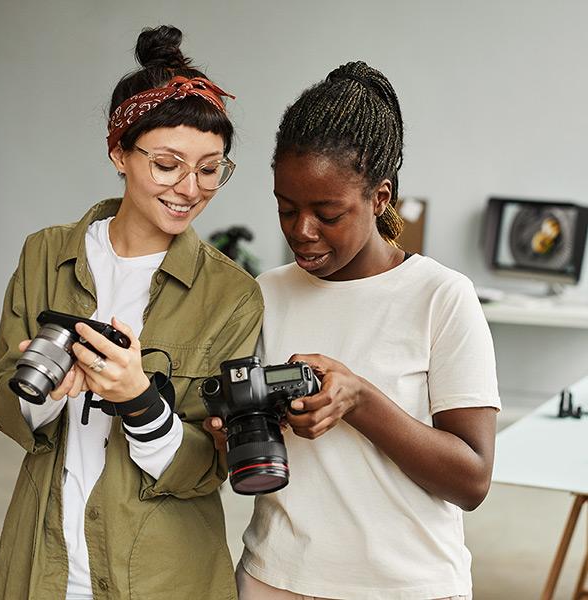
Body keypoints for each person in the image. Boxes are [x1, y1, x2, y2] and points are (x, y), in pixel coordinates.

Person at [0, 25, 262, 600]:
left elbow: (210, 466)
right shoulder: (46, 253)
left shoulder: (232, 295)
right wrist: (41, 392)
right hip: (40, 565)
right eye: (167, 164)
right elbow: (2, 404)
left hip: (164, 574)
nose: (191, 188)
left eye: (211, 168)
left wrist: (139, 400)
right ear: (118, 152)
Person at [208, 61, 500, 600]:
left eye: (328, 212)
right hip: (276, 578)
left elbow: (472, 480)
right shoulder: (265, 294)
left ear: (380, 198)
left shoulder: (440, 296)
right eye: (286, 208)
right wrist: (226, 434)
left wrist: (359, 400)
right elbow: (232, 454)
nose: (302, 230)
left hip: (409, 586)